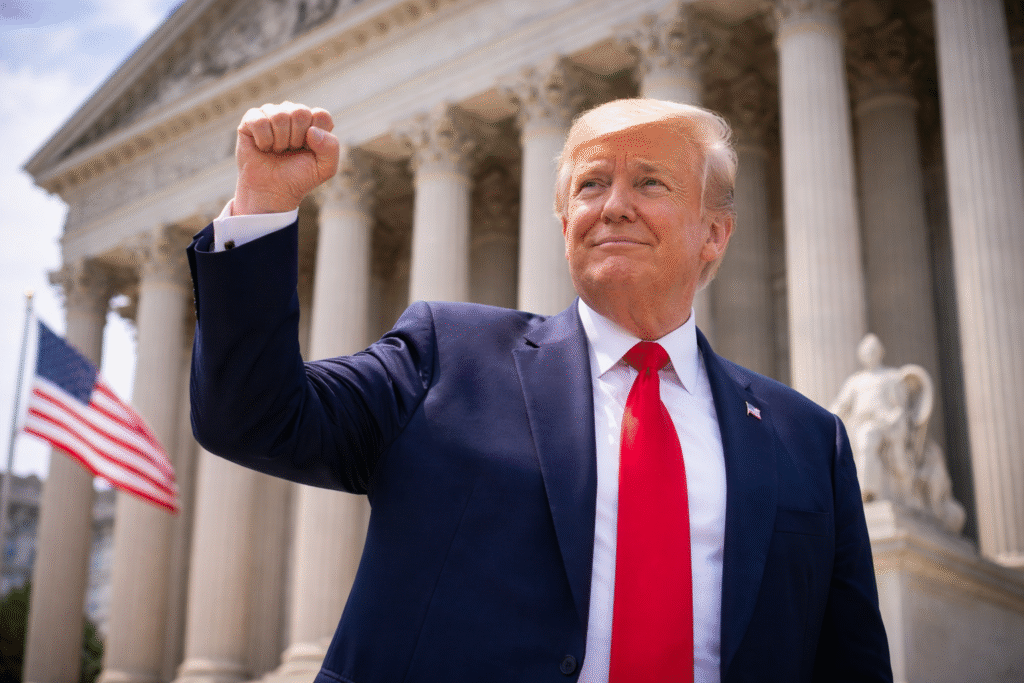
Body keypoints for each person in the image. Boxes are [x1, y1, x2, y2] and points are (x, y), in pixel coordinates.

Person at [188, 99, 892, 683]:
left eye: (649, 182)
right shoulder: (448, 357)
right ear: (564, 227)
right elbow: (255, 415)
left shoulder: (808, 439)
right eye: (590, 185)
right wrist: (263, 205)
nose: (613, 205)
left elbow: (850, 661)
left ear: (714, 233)